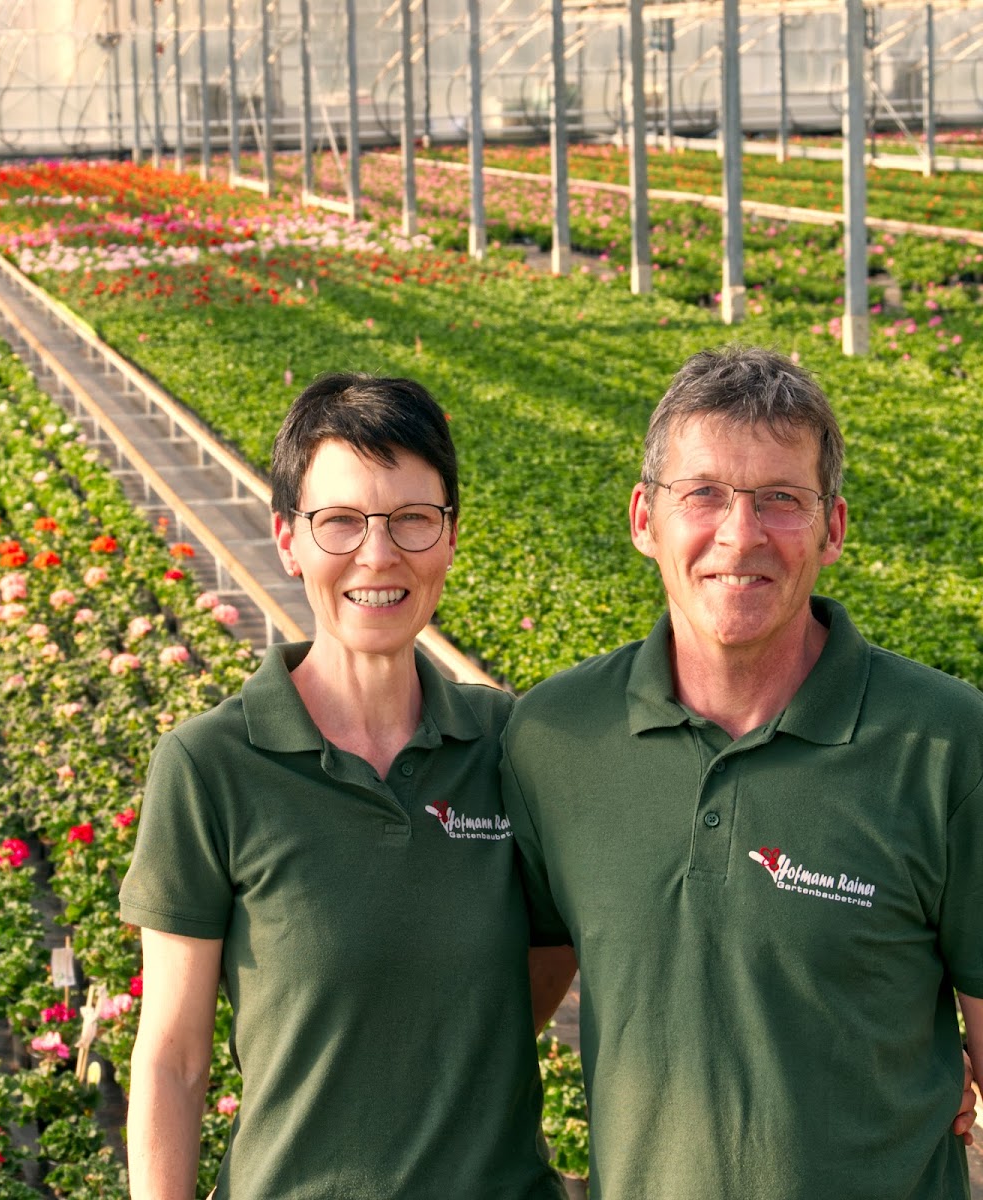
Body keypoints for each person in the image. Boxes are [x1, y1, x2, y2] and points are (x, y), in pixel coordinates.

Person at [502, 345, 982, 1199]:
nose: (741, 533)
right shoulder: (556, 740)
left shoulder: (947, 744)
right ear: (644, 519)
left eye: (781, 499)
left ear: (834, 529)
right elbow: (497, 1023)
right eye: (705, 494)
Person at [120, 373, 570, 1199]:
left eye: (412, 518)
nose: (378, 554)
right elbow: (173, 1058)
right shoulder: (210, 766)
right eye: (340, 522)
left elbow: (547, 958)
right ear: (287, 539)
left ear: (450, 535)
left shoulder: (508, 747)